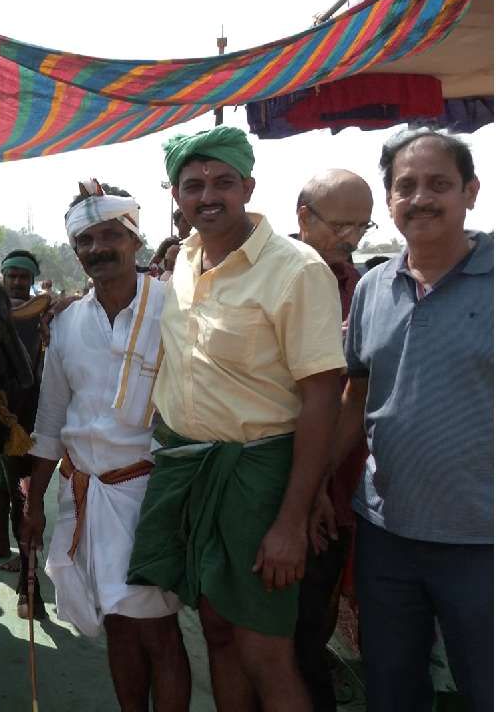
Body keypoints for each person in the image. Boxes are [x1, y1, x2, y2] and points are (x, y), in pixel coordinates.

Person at [127, 127, 345, 712]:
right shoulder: (183, 263)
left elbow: (323, 396)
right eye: (193, 184)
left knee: (264, 650)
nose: (208, 195)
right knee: (218, 632)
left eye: (224, 181)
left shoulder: (296, 270)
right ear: (175, 194)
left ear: (249, 185)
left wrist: (292, 518)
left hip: (260, 479)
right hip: (192, 472)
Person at [325, 128, 491, 711]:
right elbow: (357, 395)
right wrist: (316, 482)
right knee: (393, 689)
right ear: (389, 199)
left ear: (470, 192)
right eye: (406, 186)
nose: (421, 198)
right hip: (387, 534)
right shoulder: (374, 287)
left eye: (439, 184)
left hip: (481, 539)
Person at [23, 179, 189, 711]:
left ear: (135, 239)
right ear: (75, 250)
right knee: (117, 626)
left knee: (157, 630)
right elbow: (50, 421)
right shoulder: (68, 323)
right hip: (85, 495)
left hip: (151, 496)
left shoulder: (178, 308)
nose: (98, 249)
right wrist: (32, 508)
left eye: (110, 235)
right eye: (86, 240)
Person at [291, 169, 376, 710]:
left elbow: (358, 394)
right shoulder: (267, 279)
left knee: (311, 624)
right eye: (340, 225)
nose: (349, 239)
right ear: (303, 218)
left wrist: (320, 483)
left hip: (339, 486)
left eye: (361, 227)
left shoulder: (368, 288)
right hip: (276, 482)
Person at [0, 249, 42, 580]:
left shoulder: (43, 312)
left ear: (31, 280)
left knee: (21, 491)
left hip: (26, 415)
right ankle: (0, 543)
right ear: (3, 276)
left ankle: (27, 565)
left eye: (23, 277)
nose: (16, 282)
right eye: (11, 276)